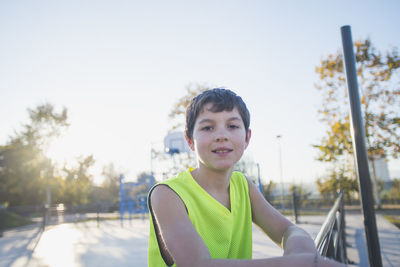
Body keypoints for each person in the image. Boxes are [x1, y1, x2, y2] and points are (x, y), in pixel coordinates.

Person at [148, 88, 346, 267]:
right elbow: (198, 264)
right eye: (208, 128)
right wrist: (300, 263)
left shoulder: (242, 185)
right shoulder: (167, 194)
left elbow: (288, 231)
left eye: (232, 126)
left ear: (247, 138)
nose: (221, 135)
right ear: (190, 140)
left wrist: (302, 252)